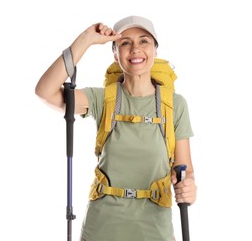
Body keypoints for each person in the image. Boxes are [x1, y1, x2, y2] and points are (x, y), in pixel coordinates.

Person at [35, 15, 197, 241]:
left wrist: (189, 186)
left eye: (144, 41)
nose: (135, 49)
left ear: (155, 51)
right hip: (101, 228)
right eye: (125, 43)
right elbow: (46, 91)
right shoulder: (103, 99)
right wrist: (86, 40)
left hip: (155, 230)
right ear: (115, 53)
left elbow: (184, 170)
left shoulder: (174, 105)